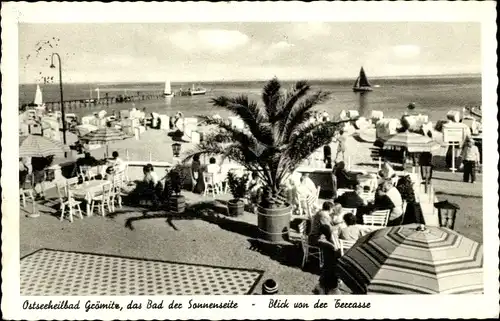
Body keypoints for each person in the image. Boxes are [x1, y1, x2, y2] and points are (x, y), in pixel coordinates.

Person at [309, 201, 342, 295]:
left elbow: (329, 226)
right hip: (316, 238)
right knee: (332, 247)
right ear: (330, 209)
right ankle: (332, 263)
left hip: (319, 236)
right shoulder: (324, 215)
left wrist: (336, 224)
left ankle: (330, 264)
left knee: (332, 245)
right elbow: (328, 229)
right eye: (332, 209)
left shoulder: (321, 213)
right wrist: (338, 226)